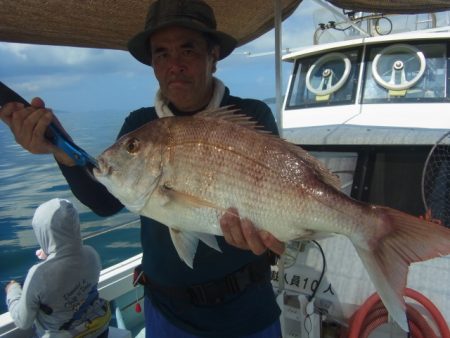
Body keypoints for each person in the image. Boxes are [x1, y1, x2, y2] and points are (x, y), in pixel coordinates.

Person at [0, 0, 285, 337]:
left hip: (249, 310)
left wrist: (276, 236)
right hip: (168, 314)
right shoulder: (140, 125)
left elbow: (282, 200)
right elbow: (106, 202)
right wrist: (57, 147)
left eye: (188, 50)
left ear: (214, 56)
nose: (173, 64)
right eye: (161, 53)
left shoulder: (251, 117)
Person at [5, 198, 111, 338]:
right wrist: (52, 255)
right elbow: (72, 268)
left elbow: (23, 322)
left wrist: (12, 290)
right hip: (100, 330)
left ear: (42, 232)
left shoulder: (39, 274)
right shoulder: (91, 253)